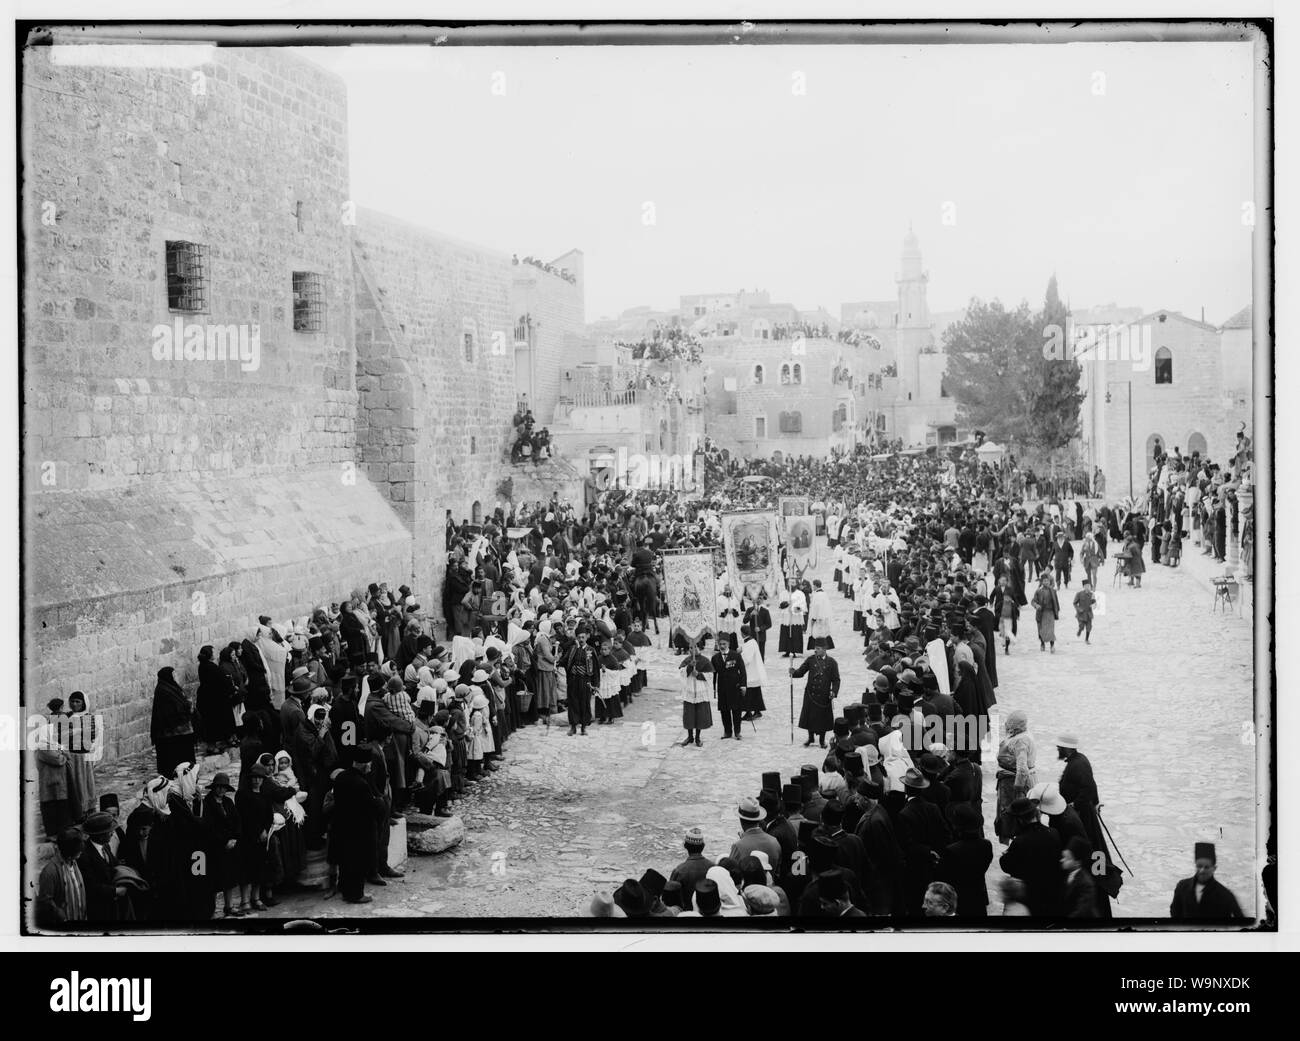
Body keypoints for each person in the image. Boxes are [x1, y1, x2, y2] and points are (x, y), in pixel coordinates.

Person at [329, 745, 388, 905]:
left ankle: (344, 888)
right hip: (359, 829)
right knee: (358, 862)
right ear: (364, 764)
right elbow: (370, 806)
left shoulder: (342, 777)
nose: (370, 766)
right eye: (369, 763)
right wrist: (379, 803)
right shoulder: (360, 783)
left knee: (345, 860)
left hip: (342, 826)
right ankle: (355, 894)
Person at [998, 797, 1063, 917]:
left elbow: (1006, 865)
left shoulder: (1020, 842)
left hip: (1029, 897)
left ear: (1020, 820)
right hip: (1052, 894)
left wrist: (1005, 855)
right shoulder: (1053, 833)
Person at [937, 803, 992, 918]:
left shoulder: (952, 850)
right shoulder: (986, 845)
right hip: (978, 897)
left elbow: (944, 877)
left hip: (960, 900)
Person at [1169, 842, 1244, 920]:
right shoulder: (1182, 886)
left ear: (1214, 868)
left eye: (1206, 867)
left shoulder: (1225, 895)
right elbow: (1174, 911)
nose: (1202, 870)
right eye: (1199, 866)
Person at [994, 710, 1036, 844]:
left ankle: (1016, 842)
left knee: (1014, 813)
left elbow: (1022, 768)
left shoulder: (1021, 741)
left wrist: (1017, 788)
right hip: (1013, 780)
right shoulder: (1023, 735)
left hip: (1014, 784)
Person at [36, 827, 87, 929]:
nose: (81, 852)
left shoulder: (74, 862)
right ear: (70, 852)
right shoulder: (50, 872)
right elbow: (45, 901)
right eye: (79, 850)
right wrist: (61, 916)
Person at [791, 643, 840, 748]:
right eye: (815, 648)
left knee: (822, 718)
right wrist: (793, 672)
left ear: (824, 649)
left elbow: (836, 680)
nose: (815, 650)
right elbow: (800, 672)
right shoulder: (811, 660)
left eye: (818, 648)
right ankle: (811, 737)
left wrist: (834, 691)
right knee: (810, 716)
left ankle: (822, 740)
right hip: (810, 694)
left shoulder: (832, 662)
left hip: (824, 695)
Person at [150, 666, 195, 778]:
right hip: (170, 732)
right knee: (173, 758)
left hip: (179, 731)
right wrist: (187, 706)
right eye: (173, 674)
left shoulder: (172, 688)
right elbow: (169, 711)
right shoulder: (163, 690)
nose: (175, 676)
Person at [729, 796, 782, 874]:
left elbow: (730, 873)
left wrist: (742, 840)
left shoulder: (738, 846)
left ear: (741, 820)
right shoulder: (774, 842)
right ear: (759, 819)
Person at [713, 633, 748, 741]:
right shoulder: (715, 658)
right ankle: (727, 731)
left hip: (735, 687)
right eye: (720, 644)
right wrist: (714, 688)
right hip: (722, 688)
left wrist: (743, 685)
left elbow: (742, 671)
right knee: (724, 710)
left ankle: (737, 732)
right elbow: (714, 673)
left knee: (736, 711)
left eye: (724, 644)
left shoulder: (736, 655)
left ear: (728, 644)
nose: (722, 646)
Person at [679, 641, 714, 748]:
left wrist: (699, 674)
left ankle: (698, 737)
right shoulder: (687, 660)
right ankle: (690, 736)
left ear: (699, 648)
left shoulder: (705, 661)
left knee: (700, 715)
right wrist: (689, 667)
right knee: (689, 715)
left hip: (700, 690)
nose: (691, 650)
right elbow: (682, 672)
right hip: (689, 689)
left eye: (694, 647)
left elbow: (710, 676)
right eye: (690, 648)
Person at [669, 828, 715, 897]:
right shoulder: (713, 868)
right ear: (703, 846)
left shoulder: (679, 871)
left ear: (685, 846)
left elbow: (670, 895)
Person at [1061, 837, 1099, 919]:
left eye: (1067, 858)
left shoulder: (1086, 884)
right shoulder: (1067, 874)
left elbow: (1082, 911)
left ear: (1077, 863)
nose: (1062, 860)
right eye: (1063, 856)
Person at [739, 625, 768, 722]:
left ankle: (750, 712)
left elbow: (747, 659)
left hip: (751, 672)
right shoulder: (751, 641)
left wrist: (739, 656)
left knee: (749, 694)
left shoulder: (750, 643)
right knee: (754, 693)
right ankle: (755, 711)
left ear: (742, 633)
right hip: (753, 672)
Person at [1032, 574, 1060, 653]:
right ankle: (1042, 644)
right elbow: (1033, 601)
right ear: (1042, 582)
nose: (1046, 582)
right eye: (1044, 581)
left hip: (1050, 613)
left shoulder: (1053, 591)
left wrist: (1057, 611)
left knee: (1051, 630)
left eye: (1047, 581)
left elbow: (1056, 602)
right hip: (1041, 613)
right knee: (1041, 630)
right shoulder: (1038, 591)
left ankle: (1052, 646)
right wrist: (1036, 605)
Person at [806, 579, 835, 649]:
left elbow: (816, 608)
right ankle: (823, 647)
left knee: (817, 634)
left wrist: (814, 618)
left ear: (815, 586)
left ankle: (819, 648)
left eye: (813, 585)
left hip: (818, 618)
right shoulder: (824, 594)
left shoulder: (817, 595)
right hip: (824, 618)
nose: (813, 587)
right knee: (823, 633)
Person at [1072, 579, 1095, 643]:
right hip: (1081, 614)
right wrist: (1079, 609)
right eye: (1086, 586)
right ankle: (1080, 630)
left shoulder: (1091, 594)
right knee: (1081, 626)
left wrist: (1093, 604)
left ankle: (1086, 639)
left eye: (1089, 586)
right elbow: (1074, 603)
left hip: (1089, 613)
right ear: (1083, 587)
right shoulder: (1079, 594)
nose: (1087, 587)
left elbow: (1094, 603)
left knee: (1089, 627)